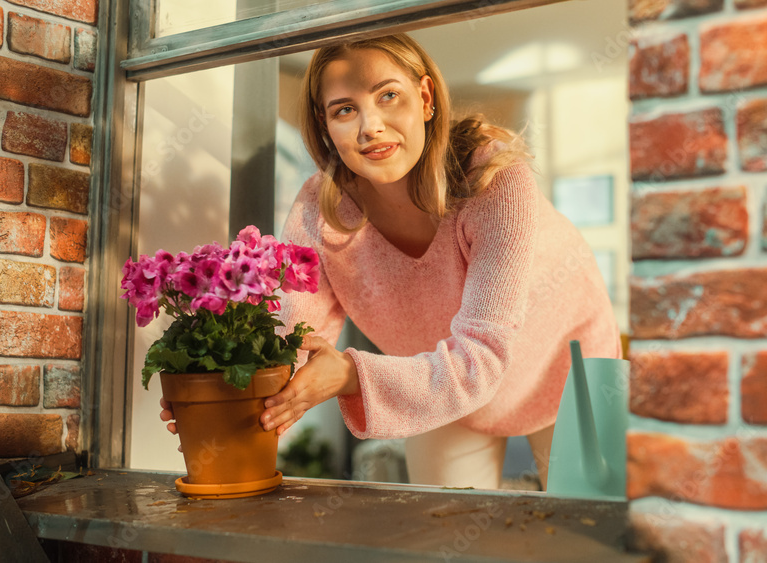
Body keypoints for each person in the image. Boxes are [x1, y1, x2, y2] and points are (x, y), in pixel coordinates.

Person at [162, 33, 620, 490]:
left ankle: (534, 500)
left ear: (424, 97)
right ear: (324, 125)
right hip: (441, 381)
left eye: (388, 96)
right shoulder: (319, 210)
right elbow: (291, 337)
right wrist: (215, 392)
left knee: (583, 527)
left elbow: (481, 357)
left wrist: (349, 375)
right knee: (443, 533)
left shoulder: (494, 182)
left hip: (562, 363)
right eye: (345, 109)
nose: (371, 126)